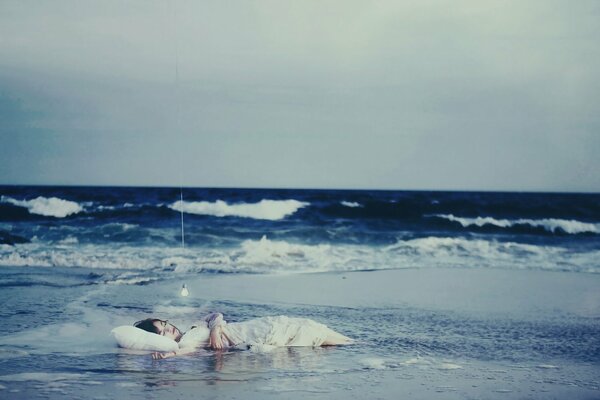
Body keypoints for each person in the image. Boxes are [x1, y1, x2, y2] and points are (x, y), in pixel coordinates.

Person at [134, 312, 352, 360]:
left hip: (258, 327)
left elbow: (215, 315)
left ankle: (372, 348)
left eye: (164, 324)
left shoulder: (192, 329)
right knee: (327, 339)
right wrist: (167, 356)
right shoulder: (186, 342)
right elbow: (186, 351)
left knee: (324, 335)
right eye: (162, 333)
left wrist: (215, 330)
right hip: (262, 333)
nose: (168, 329)